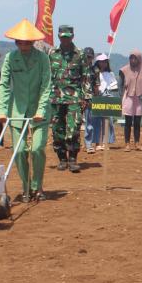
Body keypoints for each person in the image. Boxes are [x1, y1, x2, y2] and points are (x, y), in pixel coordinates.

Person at [0, 19, 52, 202]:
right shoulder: (10, 58)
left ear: (33, 42)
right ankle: (26, 187)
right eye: (20, 42)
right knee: (19, 151)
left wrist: (41, 109)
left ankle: (37, 186)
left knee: (37, 149)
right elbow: (4, 85)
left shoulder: (42, 58)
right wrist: (2, 110)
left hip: (39, 110)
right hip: (17, 110)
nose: (24, 45)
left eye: (27, 42)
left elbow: (46, 86)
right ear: (16, 42)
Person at [49, 25, 91, 173]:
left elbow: (86, 76)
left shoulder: (79, 54)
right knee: (57, 128)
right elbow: (47, 76)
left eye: (67, 36)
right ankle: (62, 158)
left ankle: (73, 159)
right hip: (55, 97)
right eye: (62, 36)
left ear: (72, 36)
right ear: (59, 36)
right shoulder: (52, 53)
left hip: (74, 97)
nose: (65, 39)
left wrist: (86, 97)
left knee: (73, 128)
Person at [118, 49, 142, 151]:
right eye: (131, 57)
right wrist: (121, 96)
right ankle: (127, 144)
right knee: (128, 122)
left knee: (137, 121)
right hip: (128, 97)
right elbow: (121, 85)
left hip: (138, 97)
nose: (132, 60)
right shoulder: (124, 70)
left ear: (139, 59)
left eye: (135, 58)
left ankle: (137, 143)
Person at [90, 54, 118, 150]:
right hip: (98, 96)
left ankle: (106, 142)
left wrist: (112, 88)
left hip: (108, 97)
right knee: (97, 121)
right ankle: (97, 143)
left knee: (107, 121)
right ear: (98, 62)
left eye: (105, 61)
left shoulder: (111, 74)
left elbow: (114, 86)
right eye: (101, 61)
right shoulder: (95, 73)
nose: (103, 63)